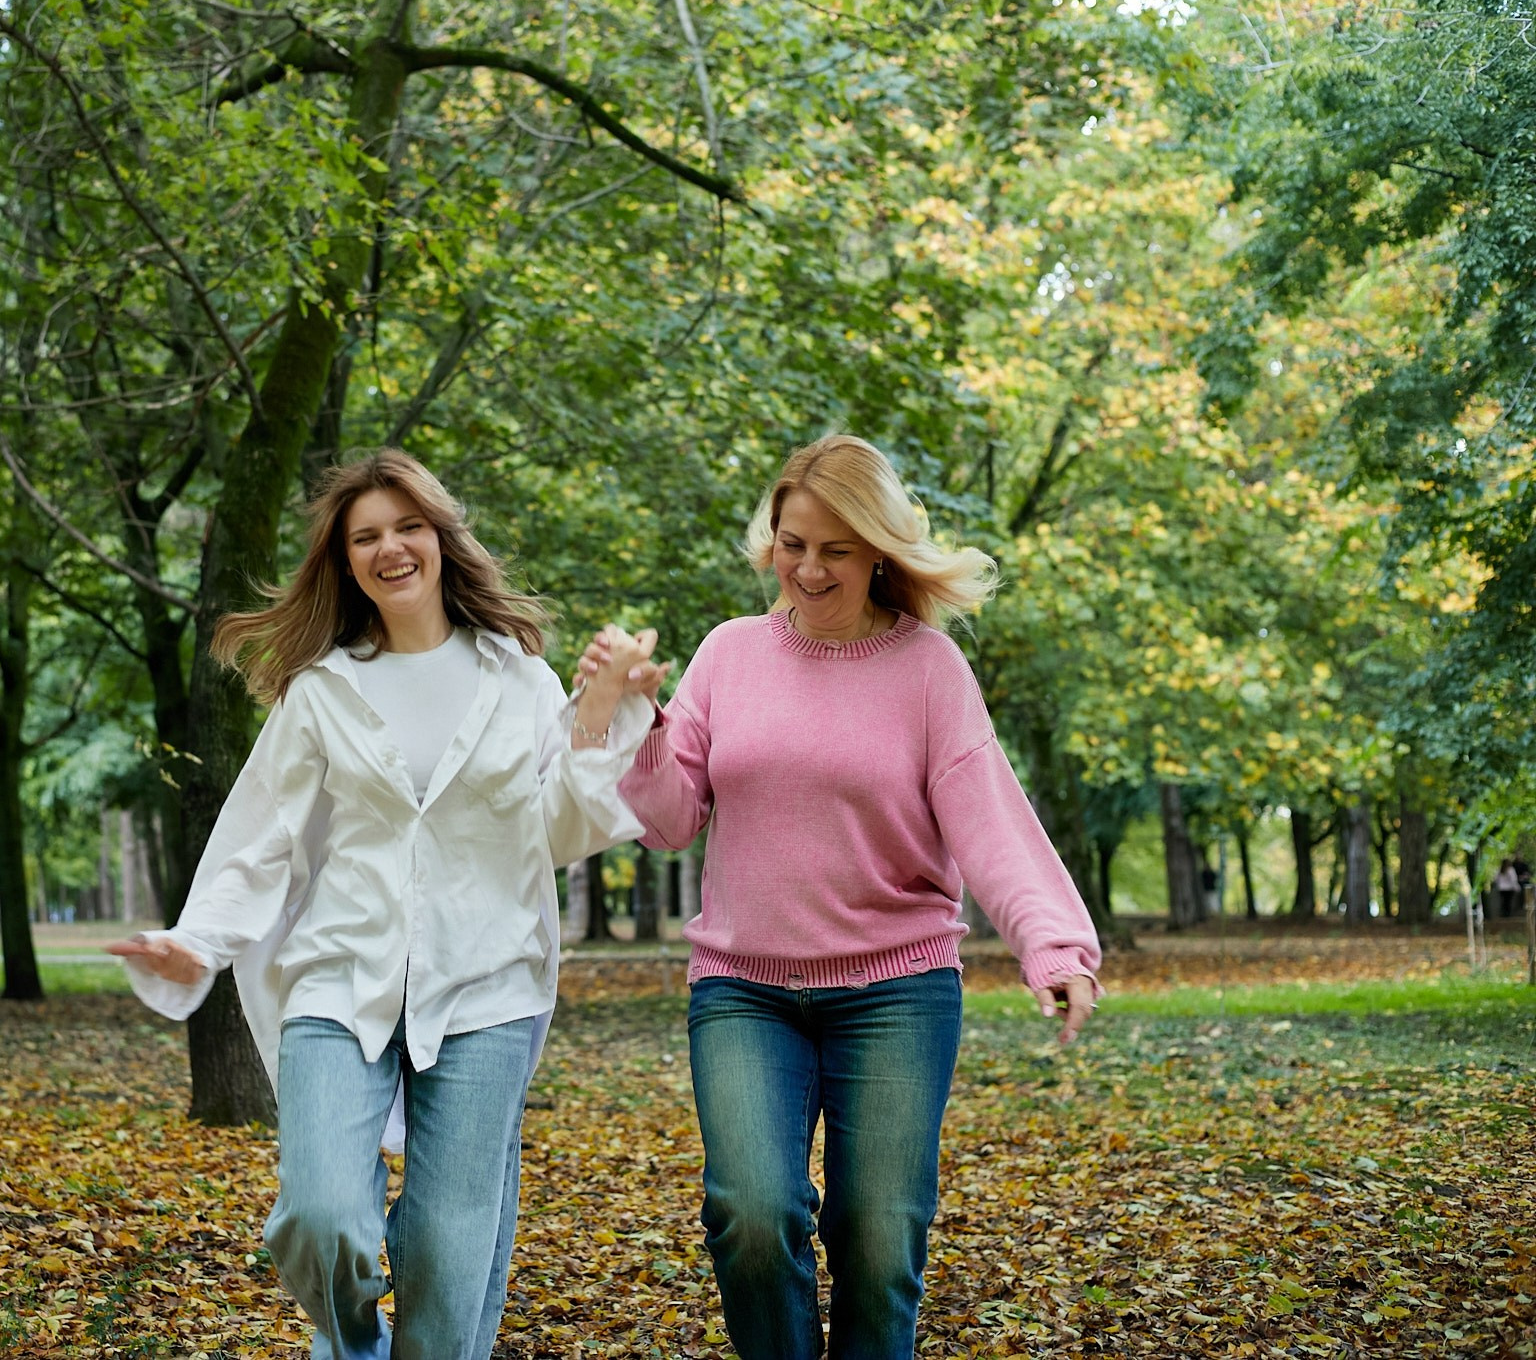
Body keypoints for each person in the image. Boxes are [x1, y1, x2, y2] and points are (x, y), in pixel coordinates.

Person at [108, 449, 658, 1360]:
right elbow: (261, 836)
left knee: (450, 1252)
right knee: (321, 1216)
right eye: (366, 535)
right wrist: (196, 941)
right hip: (340, 976)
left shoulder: (516, 678)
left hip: (488, 985)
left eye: (408, 526)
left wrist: (594, 712)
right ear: (345, 559)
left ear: (441, 537)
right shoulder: (324, 689)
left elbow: (560, 831)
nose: (390, 547)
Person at [584, 434, 1102, 1360]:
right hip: (743, 990)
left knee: (877, 1238)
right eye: (792, 543)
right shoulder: (730, 654)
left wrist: (1053, 944)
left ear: (878, 549)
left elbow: (989, 819)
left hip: (896, 992)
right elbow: (667, 820)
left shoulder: (928, 669)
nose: (809, 567)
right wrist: (634, 718)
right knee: (749, 1211)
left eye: (834, 547)